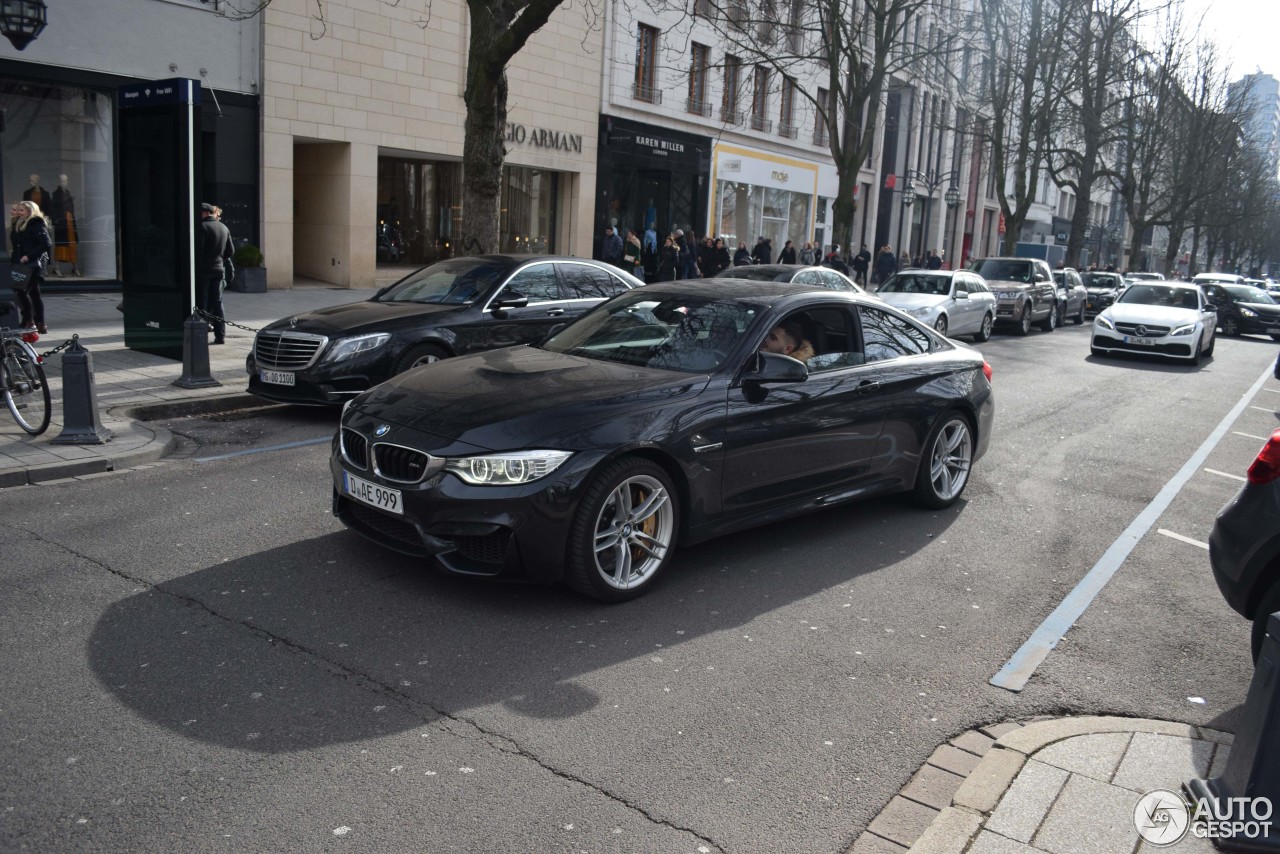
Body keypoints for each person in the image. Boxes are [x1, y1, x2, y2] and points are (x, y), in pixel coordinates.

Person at [9, 200, 52, 333]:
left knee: (22, 291)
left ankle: (29, 321)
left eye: (22, 210)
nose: (19, 213)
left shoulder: (36, 224)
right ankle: (40, 323)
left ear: (30, 211)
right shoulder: (21, 224)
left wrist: (29, 256)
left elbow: (46, 243)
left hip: (32, 265)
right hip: (23, 264)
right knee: (34, 293)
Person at [199, 202, 235, 344]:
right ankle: (220, 336)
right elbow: (230, 251)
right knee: (218, 303)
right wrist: (219, 259)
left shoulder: (202, 227)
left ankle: (201, 335)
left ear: (205, 213)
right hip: (219, 269)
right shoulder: (224, 227)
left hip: (204, 271)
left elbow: (199, 251)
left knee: (203, 301)